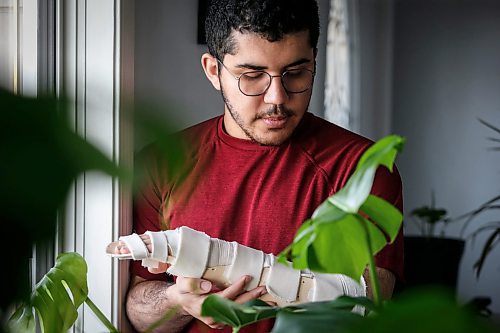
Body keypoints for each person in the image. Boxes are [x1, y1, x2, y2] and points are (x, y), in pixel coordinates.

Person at [120, 0, 404, 332]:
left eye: (296, 73)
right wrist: (177, 301)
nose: (277, 98)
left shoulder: (362, 168)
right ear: (214, 71)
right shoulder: (161, 163)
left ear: (314, 59)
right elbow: (139, 313)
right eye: (252, 76)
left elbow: (367, 308)